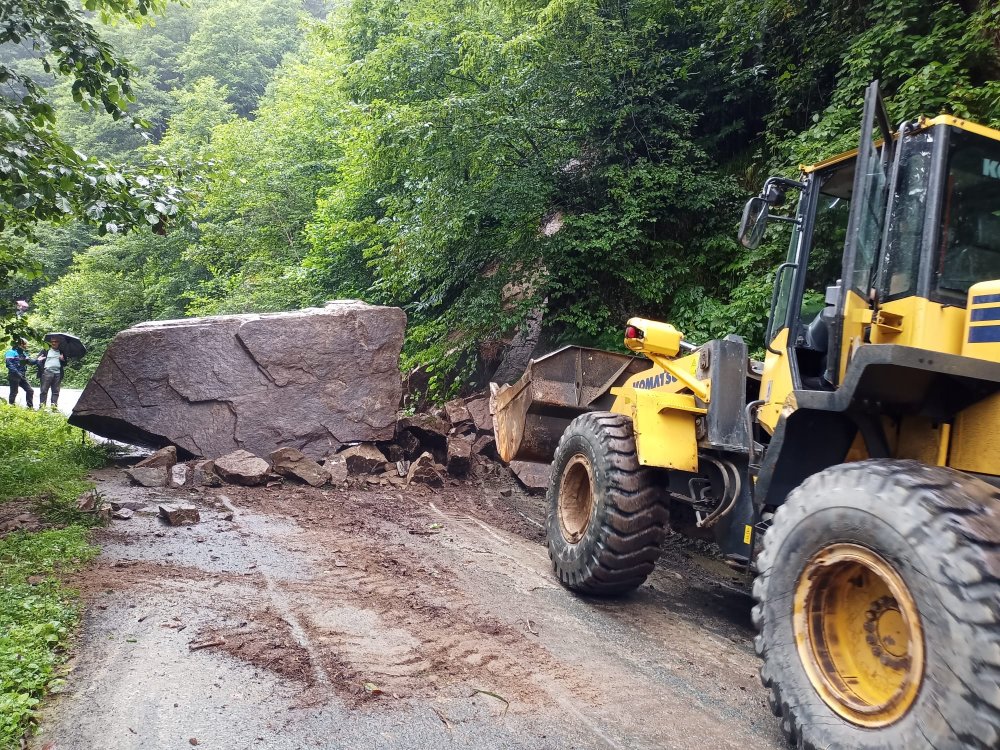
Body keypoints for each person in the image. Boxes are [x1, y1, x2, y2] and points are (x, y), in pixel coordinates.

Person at [36, 337, 66, 410]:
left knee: (56, 391)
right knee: (44, 390)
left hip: (58, 373)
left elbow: (65, 363)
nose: (54, 343)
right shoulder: (45, 350)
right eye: (52, 341)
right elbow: (38, 360)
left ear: (59, 343)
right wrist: (42, 369)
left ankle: (54, 408)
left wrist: (63, 359)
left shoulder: (61, 352)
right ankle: (42, 408)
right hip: (47, 372)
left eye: (56, 341)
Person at [4, 337, 34, 408]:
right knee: (14, 392)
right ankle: (11, 407)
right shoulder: (11, 352)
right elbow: (9, 364)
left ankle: (30, 407)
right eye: (25, 344)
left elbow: (29, 362)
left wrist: (38, 360)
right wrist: (17, 373)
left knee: (30, 390)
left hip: (22, 375)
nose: (26, 346)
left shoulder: (23, 353)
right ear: (21, 344)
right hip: (14, 375)